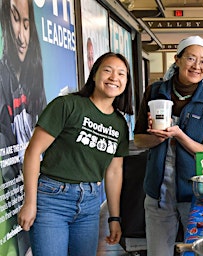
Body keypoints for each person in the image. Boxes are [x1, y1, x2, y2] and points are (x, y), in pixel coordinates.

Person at [17, 52, 133, 256]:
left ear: (126, 82)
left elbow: (114, 172)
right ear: (94, 75)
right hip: (52, 200)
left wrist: (114, 218)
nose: (114, 77)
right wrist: (30, 202)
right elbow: (33, 152)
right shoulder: (67, 105)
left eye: (121, 74)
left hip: (89, 204)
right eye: (107, 70)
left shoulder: (119, 124)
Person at [133, 35, 203, 256]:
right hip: (158, 191)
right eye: (191, 58)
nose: (197, 66)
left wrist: (179, 135)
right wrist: (158, 137)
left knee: (200, 251)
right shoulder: (155, 92)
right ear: (177, 59)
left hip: (195, 193)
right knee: (158, 252)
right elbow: (138, 139)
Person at [0, 0, 45, 254]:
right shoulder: (1, 80)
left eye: (27, 24)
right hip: (16, 201)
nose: (21, 35)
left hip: (38, 196)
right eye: (15, 20)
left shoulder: (33, 84)